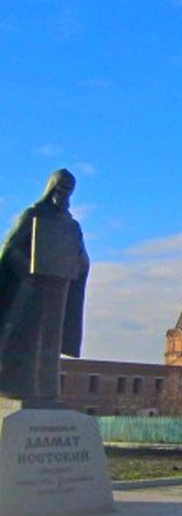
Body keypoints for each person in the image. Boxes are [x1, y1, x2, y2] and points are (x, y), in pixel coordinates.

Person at [0, 169, 89, 401]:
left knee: (51, 342)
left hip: (58, 290)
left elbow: (81, 256)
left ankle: (47, 391)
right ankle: (17, 389)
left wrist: (78, 262)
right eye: (61, 188)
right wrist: (29, 270)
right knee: (24, 338)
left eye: (69, 189)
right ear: (52, 188)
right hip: (31, 290)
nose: (64, 193)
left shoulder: (71, 224)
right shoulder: (33, 215)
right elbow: (10, 250)